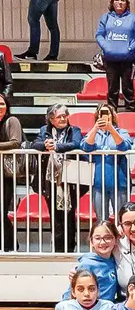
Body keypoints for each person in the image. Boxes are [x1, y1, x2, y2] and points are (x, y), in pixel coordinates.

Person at [31, 103, 86, 253]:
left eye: (65, 115)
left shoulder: (74, 130)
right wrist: (45, 145)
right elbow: (35, 144)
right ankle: (58, 249)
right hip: (50, 180)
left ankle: (70, 248)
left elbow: (76, 144)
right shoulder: (45, 130)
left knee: (69, 214)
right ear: (51, 119)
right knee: (55, 216)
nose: (63, 118)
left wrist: (56, 147)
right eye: (59, 116)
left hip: (70, 179)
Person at [80, 103, 132, 222]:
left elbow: (125, 146)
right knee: (101, 220)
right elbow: (86, 147)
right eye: (101, 113)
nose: (104, 116)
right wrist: (96, 128)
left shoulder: (121, 131)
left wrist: (111, 129)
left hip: (119, 182)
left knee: (122, 220)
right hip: (98, 183)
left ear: (112, 115)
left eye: (106, 113)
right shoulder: (93, 132)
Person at [95, 0, 135, 111]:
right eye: (117, 0)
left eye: (123, 0)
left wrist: (130, 49)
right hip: (110, 60)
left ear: (127, 3)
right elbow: (99, 35)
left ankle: (131, 115)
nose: (120, 3)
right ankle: (111, 115)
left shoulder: (134, 18)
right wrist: (106, 47)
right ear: (112, 3)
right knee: (112, 89)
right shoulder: (105, 18)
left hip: (128, 60)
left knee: (128, 89)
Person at [63, 222, 119, 301]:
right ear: (92, 241)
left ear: (116, 240)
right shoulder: (86, 264)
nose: (102, 242)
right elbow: (72, 292)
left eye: (108, 237)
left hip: (108, 309)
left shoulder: (115, 260)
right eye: (97, 238)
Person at [0, 93, 20, 251]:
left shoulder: (11, 121)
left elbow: (15, 143)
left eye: (2, 104)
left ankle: (9, 246)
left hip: (5, 174)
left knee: (1, 210)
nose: (0, 107)